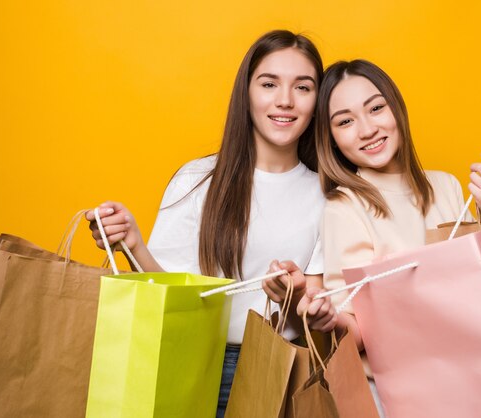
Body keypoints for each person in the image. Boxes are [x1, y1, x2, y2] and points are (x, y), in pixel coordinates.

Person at [86, 30, 325, 417]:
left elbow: (323, 316)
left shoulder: (329, 197)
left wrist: (293, 295)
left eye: (303, 87)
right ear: (246, 94)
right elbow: (171, 297)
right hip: (188, 362)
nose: (285, 100)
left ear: (318, 101)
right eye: (269, 84)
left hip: (275, 369)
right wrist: (134, 244)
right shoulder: (198, 179)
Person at [296, 59, 481, 414]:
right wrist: (328, 319)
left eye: (376, 108)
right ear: (330, 138)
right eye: (345, 121)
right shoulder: (344, 209)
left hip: (473, 378)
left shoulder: (447, 186)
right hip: (399, 397)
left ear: (396, 107)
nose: (366, 129)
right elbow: (357, 328)